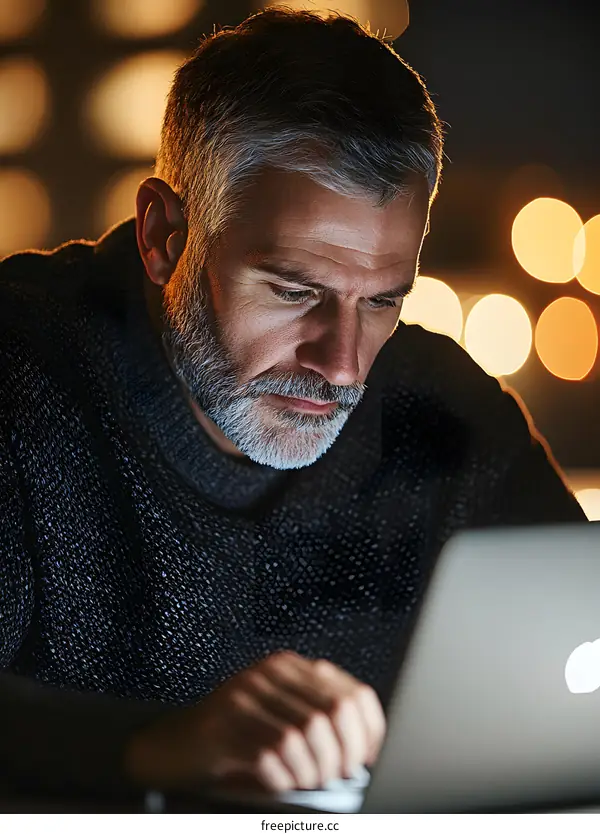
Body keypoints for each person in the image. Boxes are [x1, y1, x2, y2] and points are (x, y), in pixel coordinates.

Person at [0, 7, 586, 803]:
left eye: (382, 301)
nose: (343, 365)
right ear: (165, 234)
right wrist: (151, 749)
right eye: (292, 290)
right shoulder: (19, 377)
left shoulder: (440, 406)